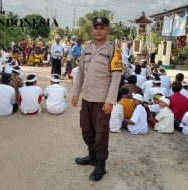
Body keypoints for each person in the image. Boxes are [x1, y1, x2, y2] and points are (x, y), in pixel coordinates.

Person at [72, 17, 121, 181]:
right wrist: (75, 93)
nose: (98, 30)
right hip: (86, 97)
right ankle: (91, 156)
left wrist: (110, 101)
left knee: (101, 134)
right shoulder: (86, 49)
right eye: (96, 27)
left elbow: (116, 77)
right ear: (92, 30)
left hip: (102, 99)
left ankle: (101, 164)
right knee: (86, 130)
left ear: (108, 30)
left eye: (102, 27)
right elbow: (80, 73)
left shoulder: (114, 50)